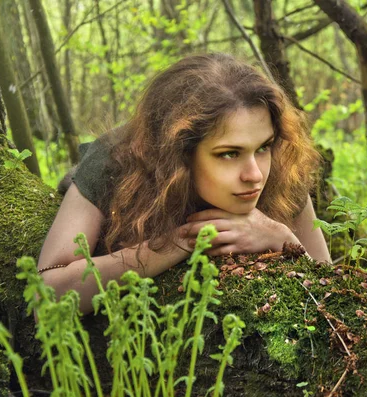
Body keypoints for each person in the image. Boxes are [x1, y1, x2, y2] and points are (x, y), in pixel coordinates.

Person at [37, 53, 331, 314]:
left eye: (263, 147)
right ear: (179, 155)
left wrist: (284, 240)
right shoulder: (112, 163)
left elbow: (332, 294)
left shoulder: (280, 172)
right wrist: (178, 243)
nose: (255, 175)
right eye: (229, 154)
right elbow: (47, 295)